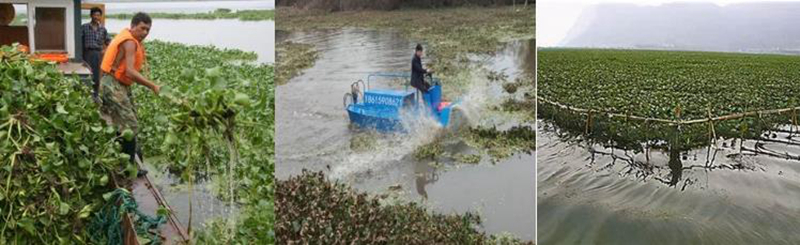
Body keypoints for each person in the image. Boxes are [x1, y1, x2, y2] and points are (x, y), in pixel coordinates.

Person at [98, 12, 160, 176]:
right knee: (131, 126)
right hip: (113, 84)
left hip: (116, 82)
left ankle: (122, 158)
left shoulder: (129, 37)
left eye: (148, 30)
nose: (145, 33)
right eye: (142, 29)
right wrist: (152, 86)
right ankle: (128, 168)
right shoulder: (130, 42)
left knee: (125, 120)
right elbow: (131, 72)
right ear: (133, 27)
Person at [81, 7, 110, 100]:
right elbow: (79, 42)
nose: (96, 17)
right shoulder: (84, 27)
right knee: (88, 74)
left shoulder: (103, 29)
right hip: (87, 54)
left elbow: (109, 42)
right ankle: (87, 96)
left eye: (98, 15)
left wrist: (105, 51)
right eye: (94, 15)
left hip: (98, 55)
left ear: (101, 16)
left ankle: (96, 96)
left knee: (97, 77)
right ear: (91, 15)